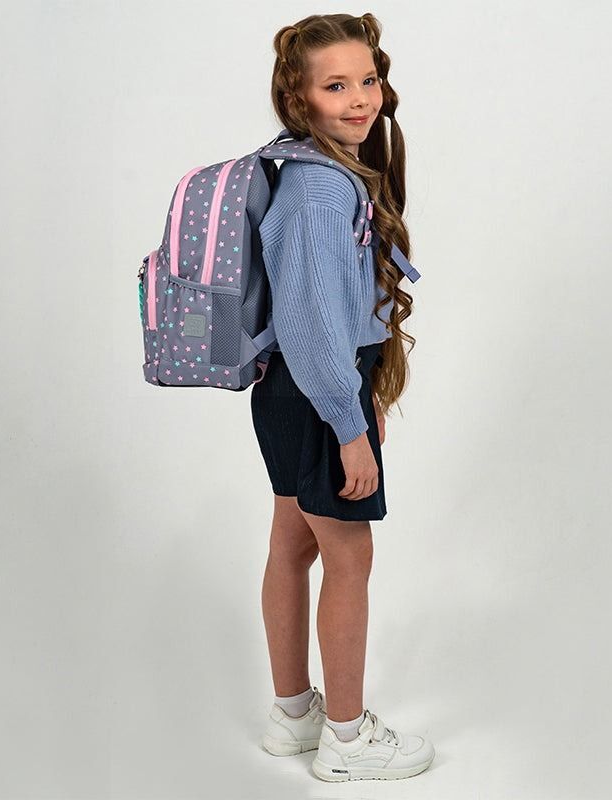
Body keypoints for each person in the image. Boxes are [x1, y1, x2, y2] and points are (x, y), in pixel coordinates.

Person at [252, 12, 435, 782]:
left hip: (296, 392)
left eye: (368, 80)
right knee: (349, 557)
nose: (360, 99)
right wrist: (348, 424)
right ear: (299, 98)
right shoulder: (322, 193)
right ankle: (348, 742)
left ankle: (294, 716)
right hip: (318, 391)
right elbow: (312, 326)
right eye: (336, 86)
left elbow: (327, 316)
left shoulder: (309, 170)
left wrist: (361, 402)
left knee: (294, 546)